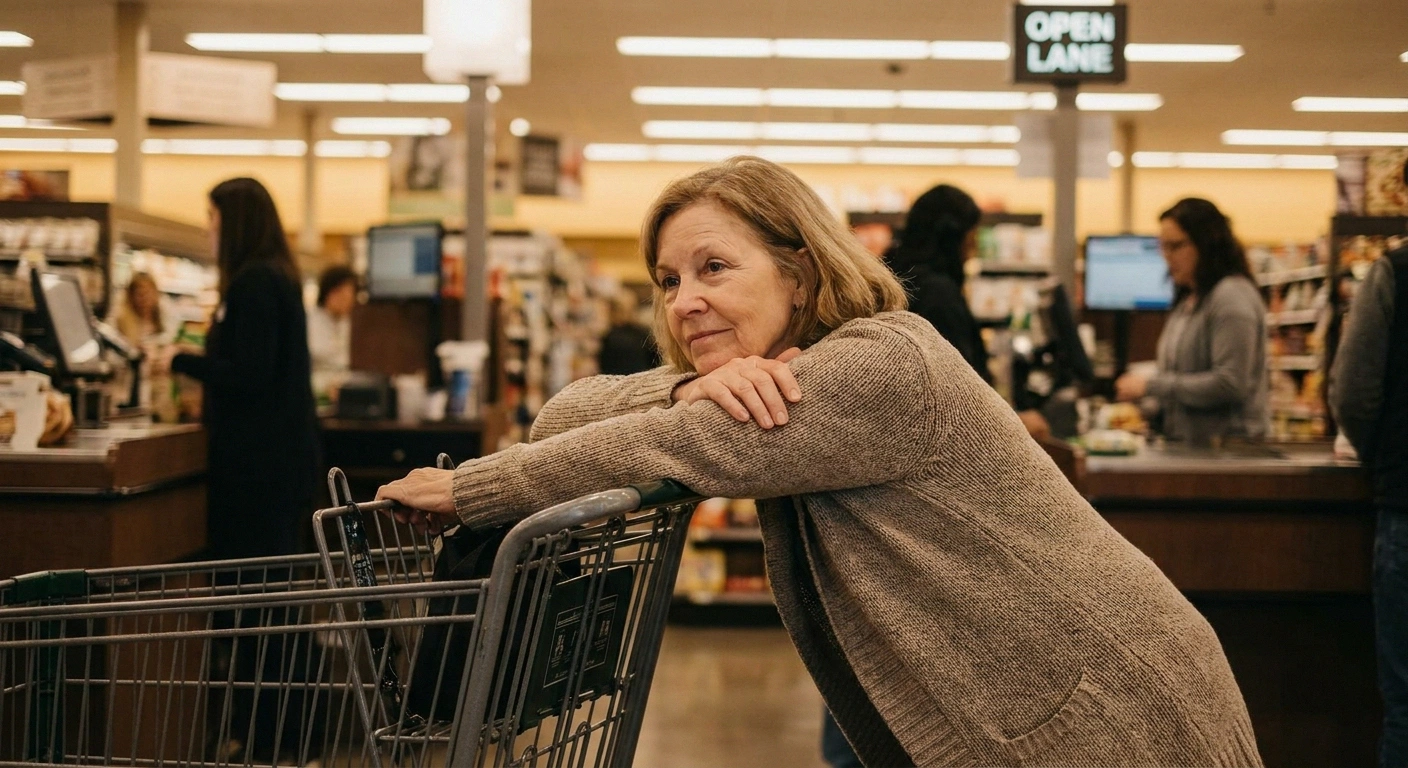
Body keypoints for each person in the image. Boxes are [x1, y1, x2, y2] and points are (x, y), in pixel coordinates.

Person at [376, 157, 1261, 767]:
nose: (687, 301)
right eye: (669, 280)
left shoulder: (882, 363)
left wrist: (471, 488)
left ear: (799, 274)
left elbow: (675, 447)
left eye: (715, 267)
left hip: (1109, 715)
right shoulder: (755, 377)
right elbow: (568, 411)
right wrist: (688, 389)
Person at [171, 177, 319, 560]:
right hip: (278, 462)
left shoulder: (253, 282)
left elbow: (249, 374)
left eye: (212, 216)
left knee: (249, 584)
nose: (208, 227)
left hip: (255, 468)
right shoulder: (276, 275)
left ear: (234, 221)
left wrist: (181, 360)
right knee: (274, 581)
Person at [1329, 159, 1408, 768]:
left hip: (1406, 504)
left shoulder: (1396, 273)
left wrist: (1378, 453)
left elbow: (1354, 393)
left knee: (1405, 711)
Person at [886, 183, 1050, 440]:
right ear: (953, 236)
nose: (972, 245)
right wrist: (1013, 423)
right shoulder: (938, 296)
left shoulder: (895, 276)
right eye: (970, 235)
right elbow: (959, 390)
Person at [1115, 198, 1269, 445]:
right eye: (1163, 247)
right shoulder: (1189, 299)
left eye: (1175, 246)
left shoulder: (1231, 297)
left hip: (1227, 455)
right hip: (1192, 450)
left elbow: (1230, 383)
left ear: (1207, 244)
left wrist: (1151, 386)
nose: (1167, 257)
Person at [308, 265, 357, 394]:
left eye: (349, 293)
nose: (345, 299)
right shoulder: (310, 321)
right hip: (316, 390)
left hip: (347, 388)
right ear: (327, 292)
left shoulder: (351, 323)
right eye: (339, 292)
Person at [597, 293, 661, 375]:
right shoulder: (643, 334)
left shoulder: (608, 336)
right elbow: (654, 361)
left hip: (616, 382)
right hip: (642, 380)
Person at [114, 272, 168, 346]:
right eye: (140, 294)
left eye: (148, 293)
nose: (145, 299)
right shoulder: (121, 319)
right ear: (131, 296)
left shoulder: (163, 314)